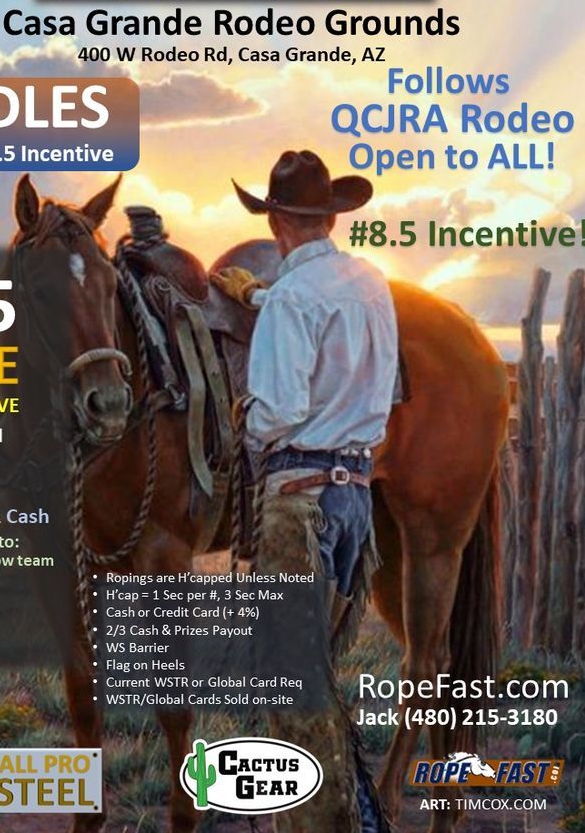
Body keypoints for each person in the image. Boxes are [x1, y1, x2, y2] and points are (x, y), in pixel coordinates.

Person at [212, 150, 398, 833]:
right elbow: (324, 320)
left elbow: (280, 411)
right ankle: (361, 817)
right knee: (317, 673)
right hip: (353, 499)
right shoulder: (369, 282)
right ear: (330, 219)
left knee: (291, 686)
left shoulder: (292, 300)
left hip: (300, 500)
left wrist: (245, 416)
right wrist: (258, 300)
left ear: (276, 223)